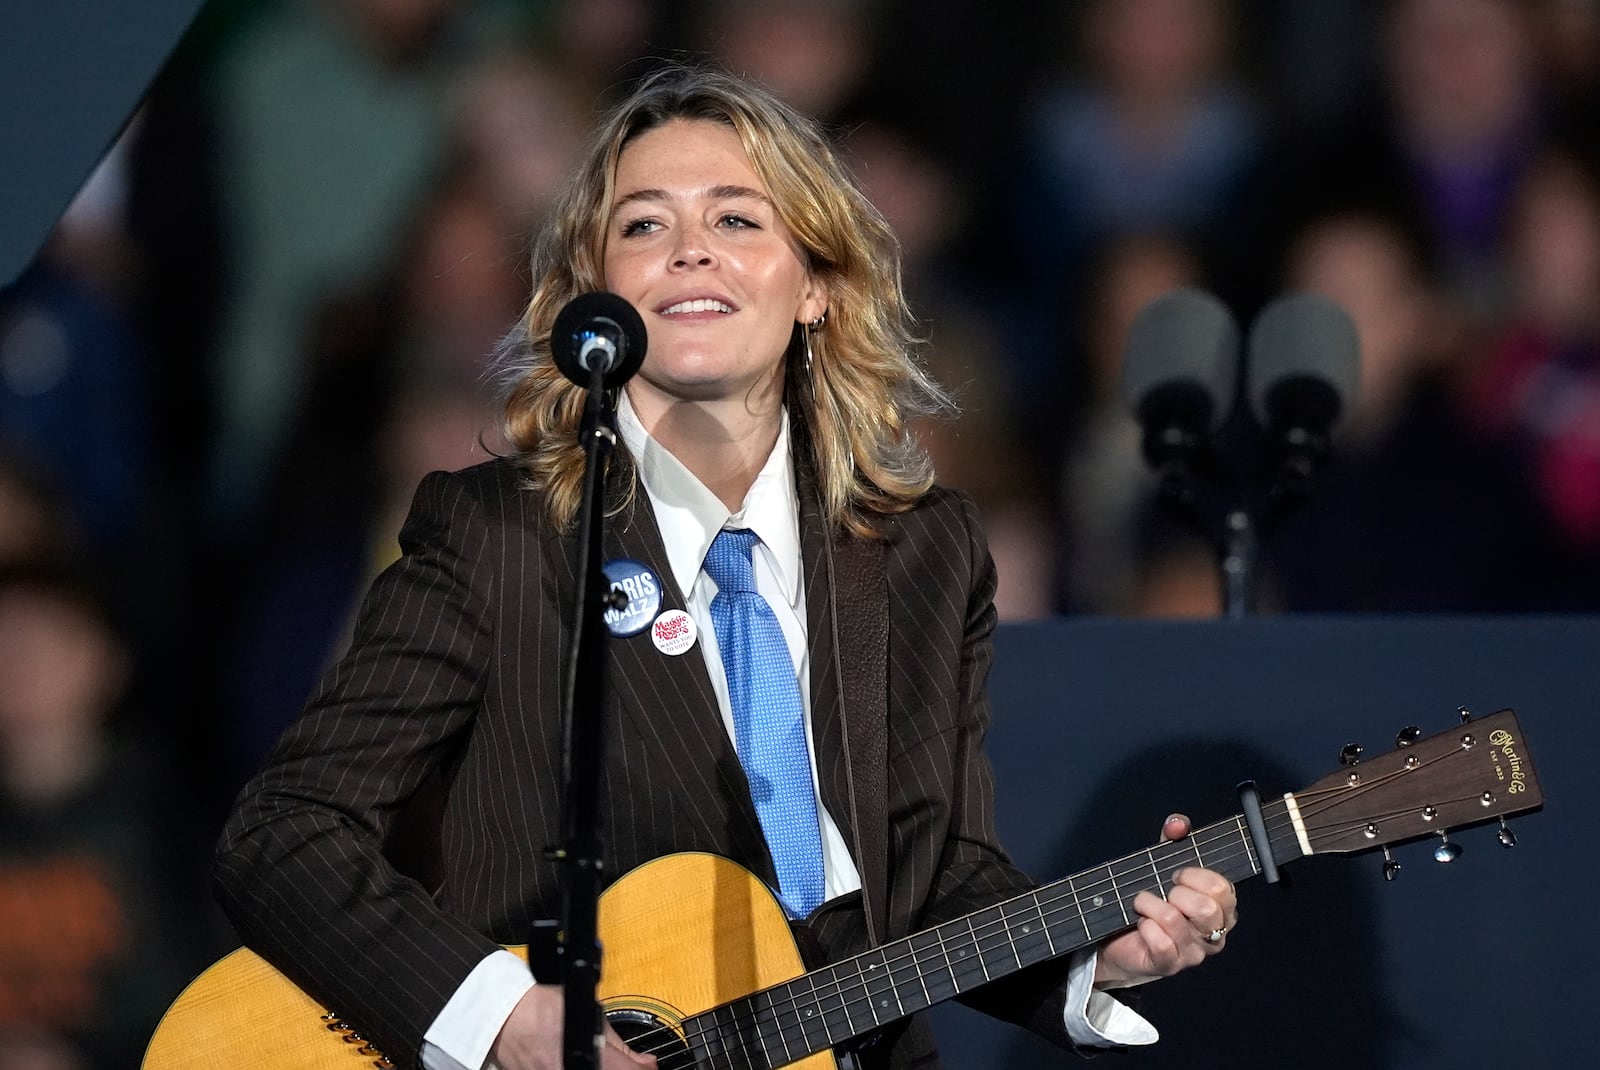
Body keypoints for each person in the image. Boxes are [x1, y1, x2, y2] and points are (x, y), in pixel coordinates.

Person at [213, 64, 1237, 1070]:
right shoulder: (500, 536)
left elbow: (933, 875)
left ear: (819, 288)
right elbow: (284, 830)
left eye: (738, 220)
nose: (691, 250)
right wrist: (501, 1016)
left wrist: (1087, 953)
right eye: (644, 224)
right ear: (592, 295)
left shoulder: (924, 547)